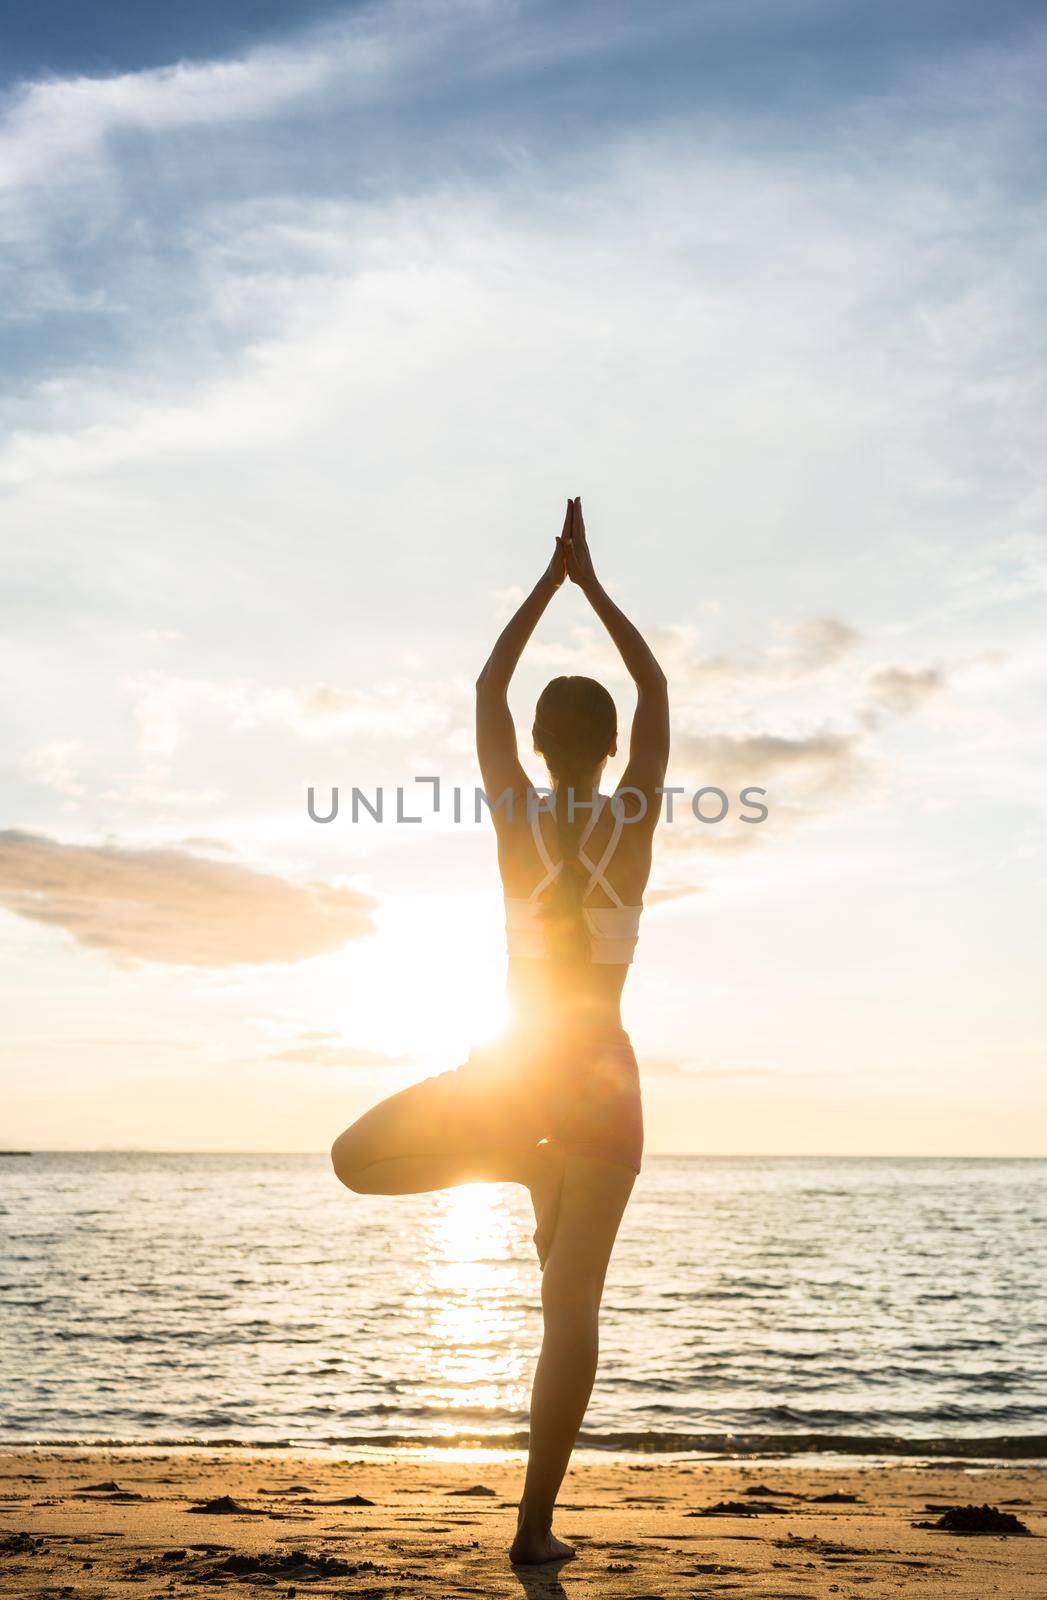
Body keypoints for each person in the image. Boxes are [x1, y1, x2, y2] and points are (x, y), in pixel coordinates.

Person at [331, 496, 669, 1565]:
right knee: (568, 1305)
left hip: (516, 1074)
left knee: (354, 1160)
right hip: (601, 1079)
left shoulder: (516, 820)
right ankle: (532, 1530)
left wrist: (549, 580)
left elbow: (486, 685)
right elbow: (656, 687)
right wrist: (594, 585)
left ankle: (511, 1166)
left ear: (532, 742)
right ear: (613, 745)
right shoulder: (634, 817)